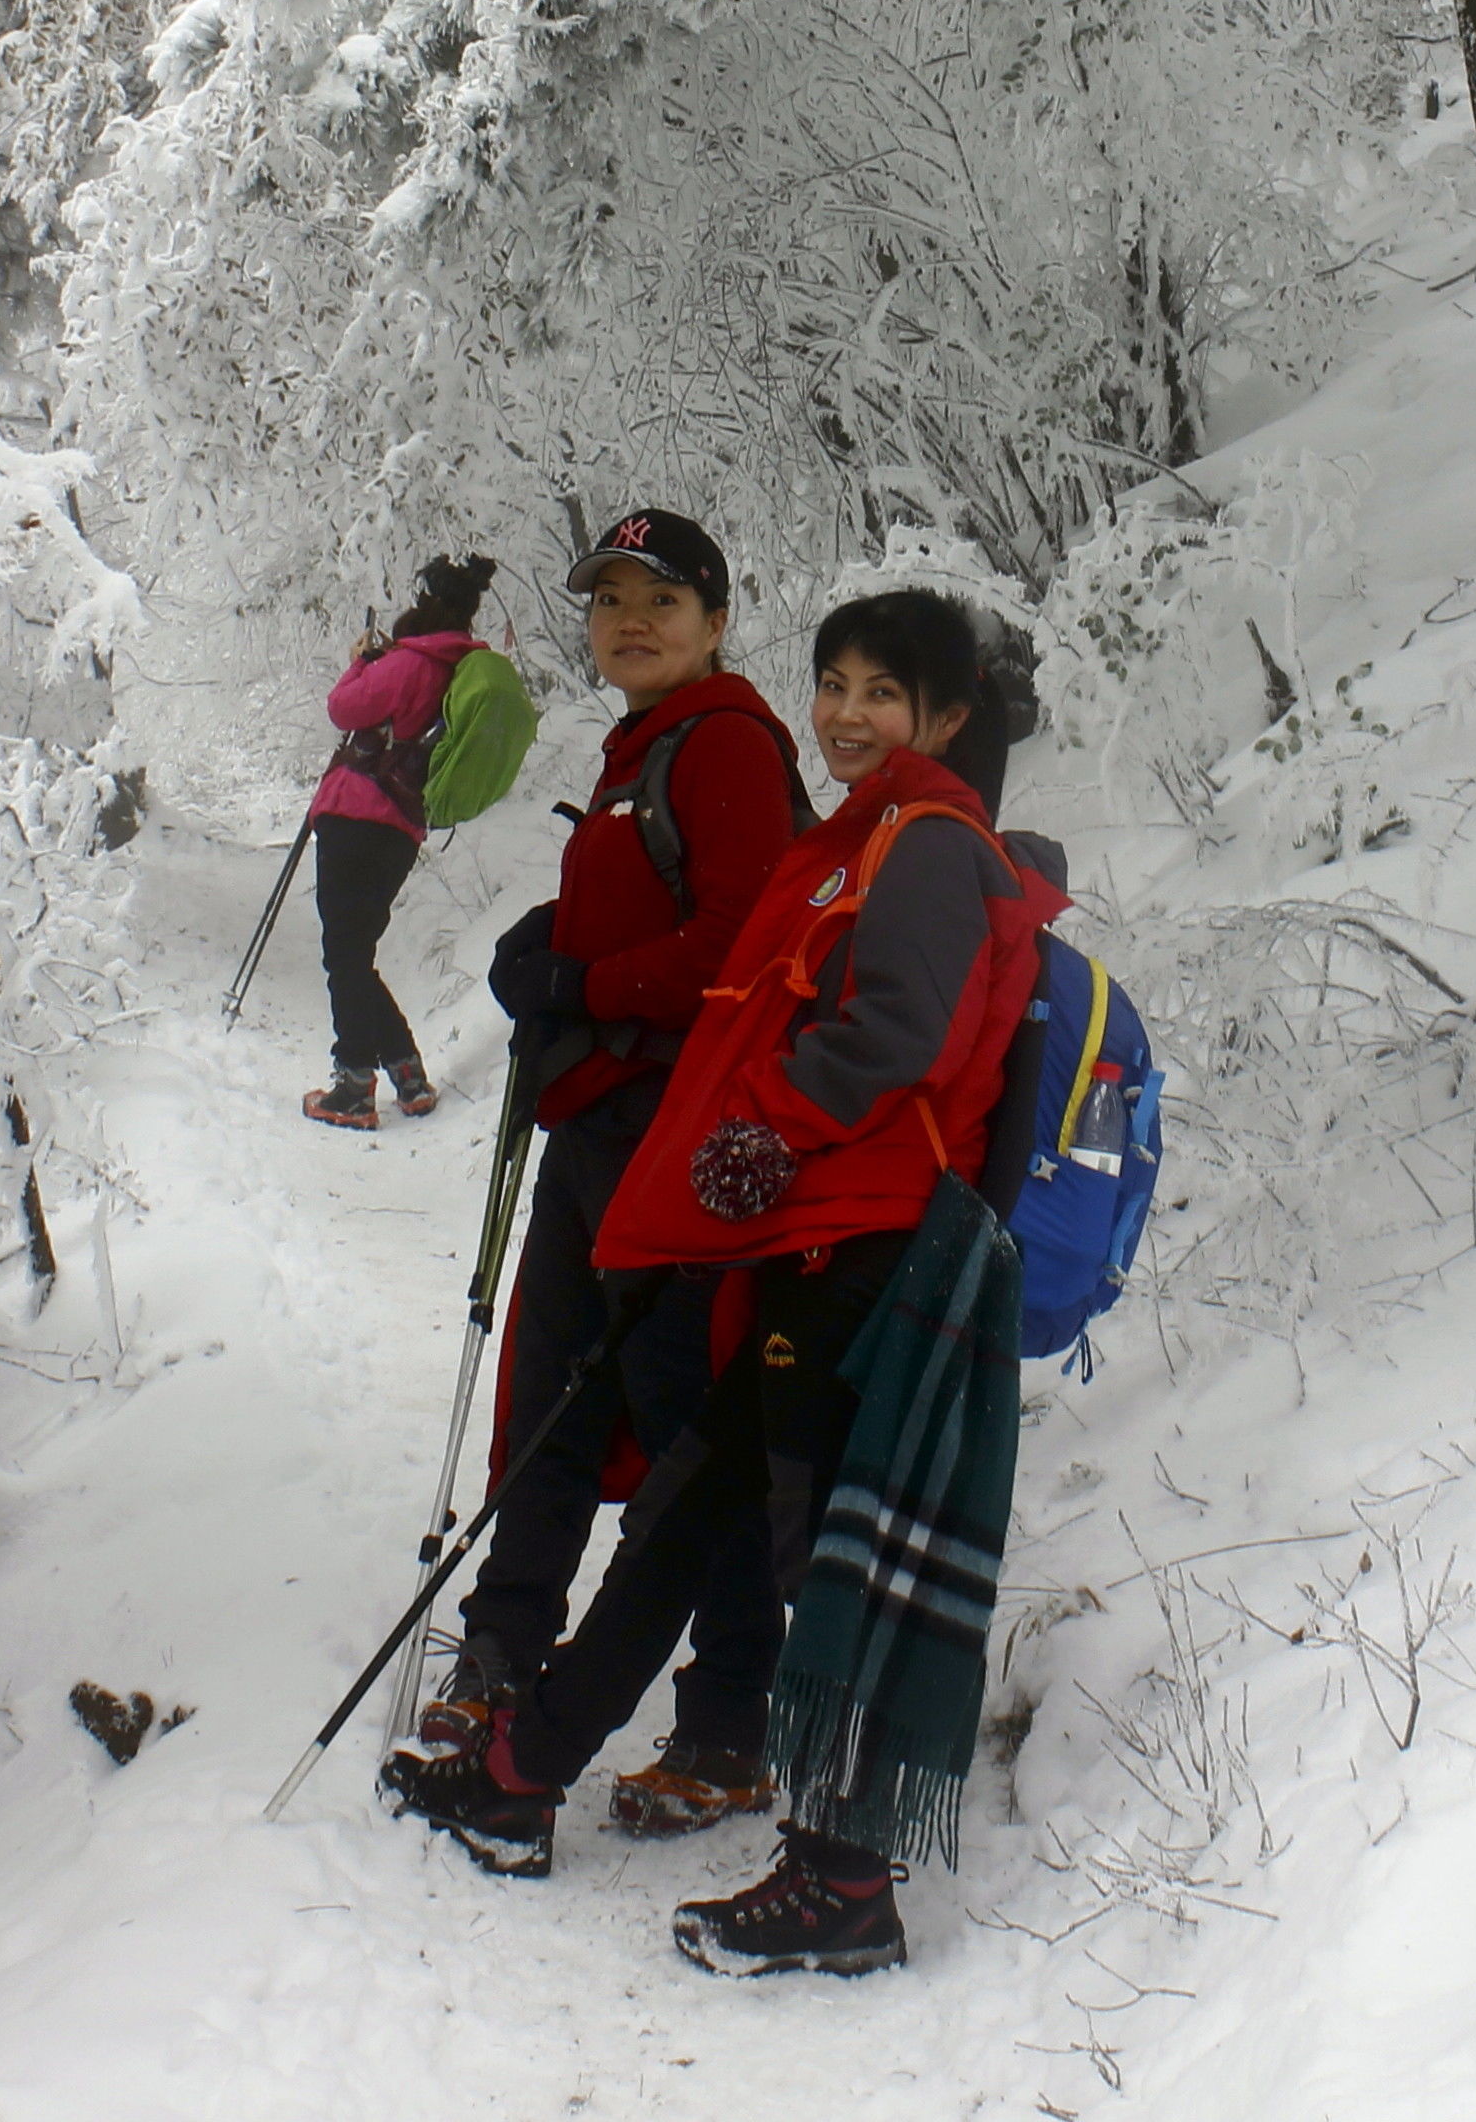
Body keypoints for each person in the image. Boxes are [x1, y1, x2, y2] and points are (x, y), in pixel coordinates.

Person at [386, 585, 1057, 1982]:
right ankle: (524, 1777)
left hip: (871, 1241)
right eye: (836, 684)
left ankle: (845, 1879)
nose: (848, 715)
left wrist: (774, 1127)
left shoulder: (930, 846)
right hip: (815, 1236)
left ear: (943, 717)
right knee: (697, 1513)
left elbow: (899, 1038)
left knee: (817, 1550)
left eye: (885, 693)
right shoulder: (863, 842)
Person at [431, 510, 805, 1837]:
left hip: (677, 1151)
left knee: (686, 1432)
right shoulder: (643, 749)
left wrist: (578, 980)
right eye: (608, 601)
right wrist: (561, 938)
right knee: (551, 1397)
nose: (630, 619)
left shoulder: (728, 747)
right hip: (601, 1134)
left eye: (662, 598)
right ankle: (501, 1660)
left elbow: (736, 947)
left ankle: (727, 1721)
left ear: (715, 620)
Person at [298, 553, 493, 1130]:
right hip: (401, 826)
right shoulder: (459, 666)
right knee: (355, 955)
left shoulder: (413, 663)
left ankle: (355, 1086)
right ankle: (407, 1072)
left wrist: (359, 664)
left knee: (345, 956)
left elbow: (344, 708)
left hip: (357, 816)